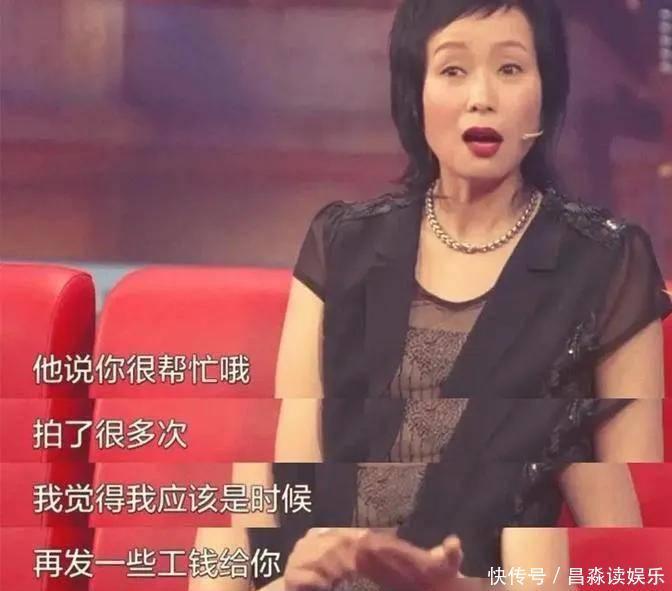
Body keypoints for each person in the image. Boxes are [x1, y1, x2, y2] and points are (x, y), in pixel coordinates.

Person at [190, 1, 671, 589]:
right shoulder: (340, 245)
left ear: (546, 91)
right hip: (329, 579)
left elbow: (625, 550)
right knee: (222, 553)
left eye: (511, 69)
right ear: (414, 94)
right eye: (453, 70)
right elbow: (297, 488)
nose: (482, 98)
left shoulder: (605, 264)